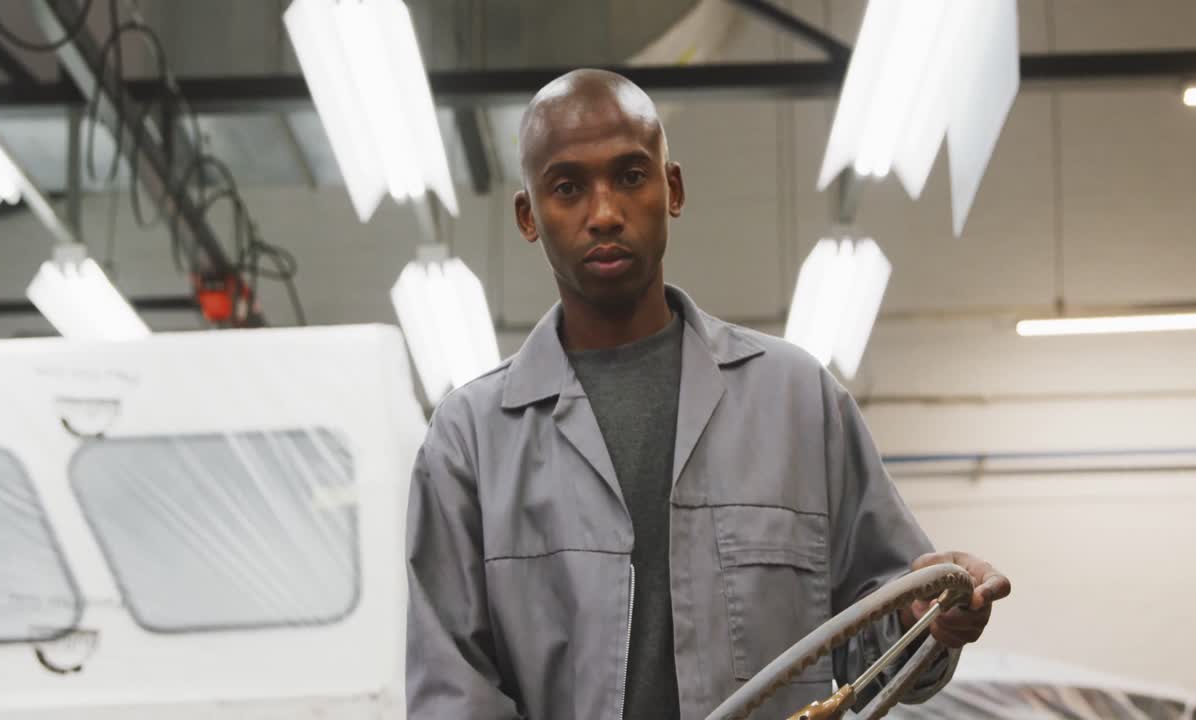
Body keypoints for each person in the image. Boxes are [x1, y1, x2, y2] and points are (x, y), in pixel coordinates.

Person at [405, 68, 1011, 719]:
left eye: (631, 176)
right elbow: (452, 693)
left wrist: (930, 619)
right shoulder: (471, 441)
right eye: (567, 187)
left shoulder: (799, 404)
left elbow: (884, 645)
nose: (604, 212)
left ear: (672, 189)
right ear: (528, 215)